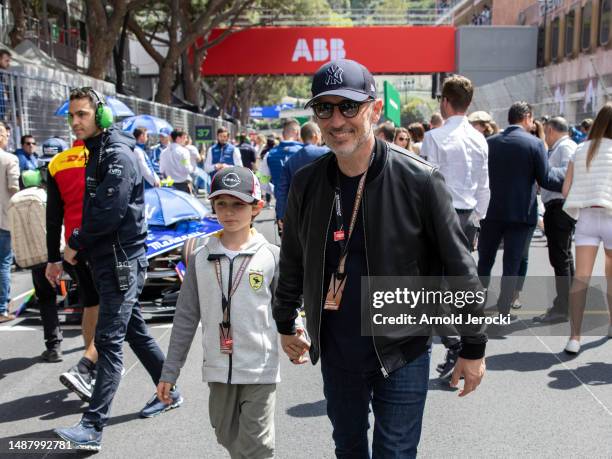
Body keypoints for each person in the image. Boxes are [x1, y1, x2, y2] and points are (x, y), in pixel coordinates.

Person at [273, 59, 487, 457]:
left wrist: (473, 347)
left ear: (373, 108)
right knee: (349, 450)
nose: (337, 120)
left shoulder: (421, 180)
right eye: (325, 108)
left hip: (402, 348)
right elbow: (293, 258)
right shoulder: (308, 183)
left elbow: (461, 268)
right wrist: (286, 320)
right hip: (337, 350)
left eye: (348, 107)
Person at [54, 88, 180, 451]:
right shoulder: (95, 151)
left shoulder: (116, 154)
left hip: (121, 259)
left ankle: (92, 428)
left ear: (102, 116)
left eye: (82, 114)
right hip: (110, 258)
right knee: (135, 331)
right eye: (72, 116)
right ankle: (171, 392)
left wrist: (75, 242)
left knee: (108, 340)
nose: (76, 122)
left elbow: (108, 213)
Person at [158, 167, 289, 458]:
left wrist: (298, 334)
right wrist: (170, 371)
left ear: (256, 207)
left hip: (260, 369)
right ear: (213, 206)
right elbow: (185, 317)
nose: (230, 212)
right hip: (218, 368)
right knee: (227, 435)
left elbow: (286, 306)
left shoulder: (271, 255)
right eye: (222, 204)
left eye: (238, 204)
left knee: (257, 446)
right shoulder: (200, 256)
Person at [420, 74, 490, 380]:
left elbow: (424, 184)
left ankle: (454, 342)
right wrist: (477, 219)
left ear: (445, 102)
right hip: (468, 216)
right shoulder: (479, 138)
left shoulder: (433, 137)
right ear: (469, 103)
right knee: (460, 286)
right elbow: (485, 187)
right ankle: (460, 342)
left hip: (439, 216)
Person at [478, 101, 564, 320]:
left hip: (491, 210)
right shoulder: (535, 143)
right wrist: (570, 176)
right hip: (521, 212)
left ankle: (475, 303)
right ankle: (504, 307)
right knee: (512, 262)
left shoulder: (489, 142)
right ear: (526, 117)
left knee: (485, 259)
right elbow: (546, 179)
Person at [45, 138, 101, 399]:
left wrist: (52, 259)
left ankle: (89, 365)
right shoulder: (105, 157)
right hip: (101, 245)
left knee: (91, 303)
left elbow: (53, 217)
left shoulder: (58, 163)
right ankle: (87, 369)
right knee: (114, 312)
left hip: (72, 249)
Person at [562, 103, 612, 354]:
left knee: (581, 278)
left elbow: (565, 190)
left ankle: (575, 337)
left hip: (587, 218)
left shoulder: (581, 150)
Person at [9, 168, 63, 360]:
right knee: (87, 294)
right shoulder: (44, 196)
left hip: (34, 258)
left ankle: (54, 346)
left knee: (46, 299)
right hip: (57, 252)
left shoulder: (13, 201)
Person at [531, 117, 577, 323]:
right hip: (559, 207)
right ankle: (568, 304)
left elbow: (567, 173)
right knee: (564, 258)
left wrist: (543, 174)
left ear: (549, 129)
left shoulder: (565, 147)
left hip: (560, 207)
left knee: (560, 260)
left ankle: (563, 308)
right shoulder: (563, 147)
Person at [275, 122, 329, 227]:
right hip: (327, 209)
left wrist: (281, 214)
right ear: (315, 135)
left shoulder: (287, 159)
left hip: (300, 213)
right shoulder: (328, 153)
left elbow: (282, 190)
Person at [0, 121, 19, 322]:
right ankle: (2, 308)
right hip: (4, 219)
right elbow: (14, 188)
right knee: (4, 264)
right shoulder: (9, 159)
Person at [258, 119, 302, 194]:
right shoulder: (304, 151)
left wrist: (276, 191)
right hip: (303, 203)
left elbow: (262, 181)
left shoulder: (269, 154)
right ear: (297, 132)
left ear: (283, 134)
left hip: (280, 203)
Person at [160, 128, 194, 194]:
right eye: (184, 138)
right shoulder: (183, 152)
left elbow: (161, 170)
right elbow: (187, 169)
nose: (186, 140)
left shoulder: (163, 152)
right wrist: (192, 168)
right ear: (178, 138)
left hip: (169, 185)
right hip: (182, 185)